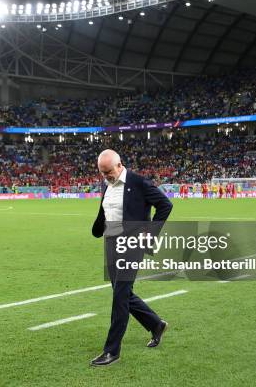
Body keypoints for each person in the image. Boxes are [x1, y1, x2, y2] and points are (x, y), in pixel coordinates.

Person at [90, 149, 173, 366]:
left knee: (119, 298)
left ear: (119, 165)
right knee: (122, 293)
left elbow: (165, 205)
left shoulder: (138, 182)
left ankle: (112, 351)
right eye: (102, 173)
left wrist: (150, 231)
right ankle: (156, 324)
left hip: (132, 244)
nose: (105, 176)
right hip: (111, 242)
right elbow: (107, 209)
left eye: (108, 171)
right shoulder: (107, 183)